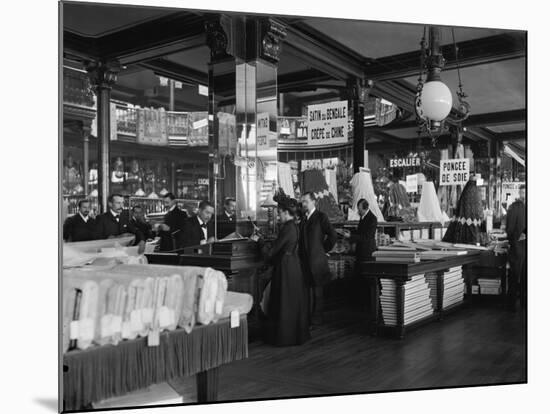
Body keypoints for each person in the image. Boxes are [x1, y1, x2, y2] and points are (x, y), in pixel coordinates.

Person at [256, 197, 310, 346]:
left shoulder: (287, 227)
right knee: (290, 301)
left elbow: (271, 252)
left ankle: (284, 337)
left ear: (286, 212)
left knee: (284, 301)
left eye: (280, 212)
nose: (278, 216)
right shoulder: (294, 226)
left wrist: (259, 241)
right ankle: (293, 335)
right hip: (292, 265)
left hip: (286, 268)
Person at [299, 192, 337, 325]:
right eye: (302, 201)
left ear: (313, 202)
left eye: (306, 201)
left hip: (317, 261)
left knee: (318, 291)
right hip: (305, 261)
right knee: (307, 290)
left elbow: (333, 236)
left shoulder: (321, 217)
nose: (303, 204)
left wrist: (323, 250)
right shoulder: (303, 219)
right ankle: (308, 317)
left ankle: (317, 319)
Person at [351, 199, 378, 310]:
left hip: (367, 252)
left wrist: (351, 237)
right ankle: (361, 303)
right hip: (361, 251)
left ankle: (367, 304)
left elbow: (366, 237)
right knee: (360, 277)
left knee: (367, 278)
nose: (358, 211)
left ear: (364, 208)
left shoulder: (372, 219)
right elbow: (360, 233)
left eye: (359, 209)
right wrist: (351, 233)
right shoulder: (363, 217)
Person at [506, 184, 526, 311]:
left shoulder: (514, 207)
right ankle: (523, 304)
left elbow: (509, 229)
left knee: (514, 276)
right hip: (521, 247)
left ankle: (512, 304)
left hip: (517, 247)